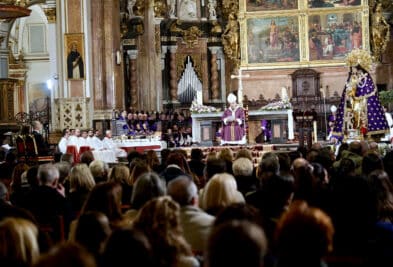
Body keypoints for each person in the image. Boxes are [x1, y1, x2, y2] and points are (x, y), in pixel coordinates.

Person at [331, 49, 389, 142]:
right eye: (352, 67)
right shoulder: (351, 77)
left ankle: (366, 133)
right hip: (352, 102)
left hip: (363, 103)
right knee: (350, 116)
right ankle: (351, 133)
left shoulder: (366, 77)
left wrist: (357, 89)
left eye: (354, 67)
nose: (353, 69)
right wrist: (350, 90)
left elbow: (368, 90)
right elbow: (347, 90)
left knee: (362, 117)